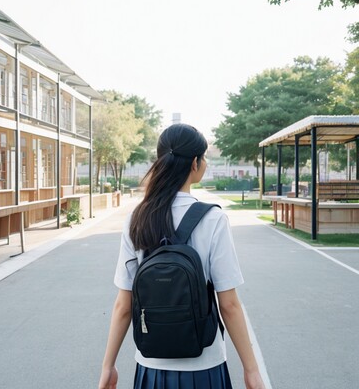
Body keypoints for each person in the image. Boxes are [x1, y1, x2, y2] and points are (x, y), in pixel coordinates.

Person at [98, 123, 266, 389]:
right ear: (194, 164)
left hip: (151, 365)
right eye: (204, 157)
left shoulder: (136, 218)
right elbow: (229, 306)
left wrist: (108, 367)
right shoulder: (213, 219)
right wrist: (252, 370)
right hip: (204, 366)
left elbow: (123, 306)